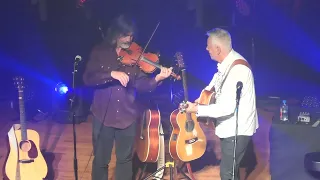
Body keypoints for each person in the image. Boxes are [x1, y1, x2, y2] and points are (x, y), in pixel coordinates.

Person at [83, 14, 172, 180]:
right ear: (115, 33)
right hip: (102, 115)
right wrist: (111, 73)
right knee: (101, 160)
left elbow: (142, 85)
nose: (129, 39)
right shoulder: (99, 51)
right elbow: (88, 78)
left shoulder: (136, 57)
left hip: (128, 115)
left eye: (131, 35)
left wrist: (157, 79)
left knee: (125, 160)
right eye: (125, 35)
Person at [183, 28, 259, 180]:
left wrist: (197, 109)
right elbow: (215, 82)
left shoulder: (238, 70)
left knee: (227, 173)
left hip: (237, 130)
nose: (206, 49)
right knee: (231, 169)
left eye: (208, 46)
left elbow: (226, 108)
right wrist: (202, 98)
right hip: (229, 128)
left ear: (218, 49)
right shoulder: (227, 64)